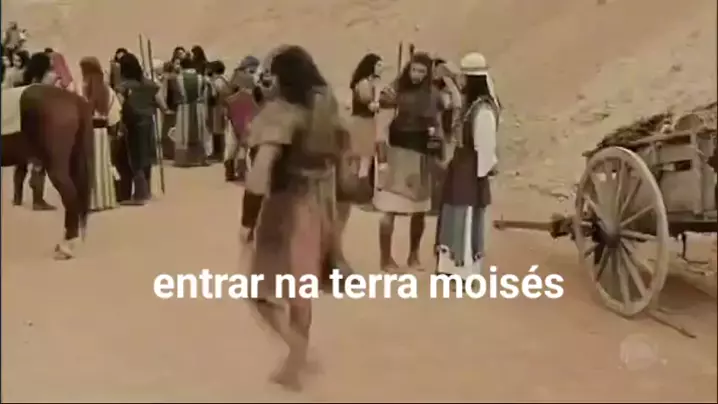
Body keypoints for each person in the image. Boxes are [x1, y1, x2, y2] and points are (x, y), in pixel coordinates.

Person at [238, 45, 350, 391]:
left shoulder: (282, 111)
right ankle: (294, 365)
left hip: (286, 206)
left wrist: (247, 220)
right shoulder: (327, 107)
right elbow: (343, 161)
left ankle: (297, 352)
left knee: (259, 291)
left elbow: (261, 170)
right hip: (322, 204)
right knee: (301, 291)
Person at [374, 51, 444, 272]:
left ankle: (413, 255)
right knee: (389, 210)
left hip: (421, 157)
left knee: (419, 210)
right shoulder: (393, 92)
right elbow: (381, 128)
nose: (417, 75)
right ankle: (385, 259)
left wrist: (437, 148)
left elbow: (438, 123)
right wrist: (382, 160)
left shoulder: (432, 95)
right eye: (414, 70)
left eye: (422, 71)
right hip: (397, 156)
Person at [435, 52, 500, 280]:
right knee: (453, 211)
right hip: (461, 166)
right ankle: (449, 267)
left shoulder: (483, 111)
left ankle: (465, 270)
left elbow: (485, 145)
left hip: (471, 169)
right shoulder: (470, 107)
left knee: (467, 214)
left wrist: (483, 172)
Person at [331, 52, 383, 271]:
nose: (380, 69)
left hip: (365, 123)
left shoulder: (367, 82)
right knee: (362, 158)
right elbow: (370, 105)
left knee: (365, 157)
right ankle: (360, 193)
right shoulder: (364, 84)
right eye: (378, 65)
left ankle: (361, 192)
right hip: (362, 122)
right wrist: (380, 98)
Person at [115, 52, 168, 205]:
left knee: (134, 158)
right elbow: (162, 104)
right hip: (148, 123)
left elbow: (119, 107)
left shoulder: (123, 87)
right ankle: (147, 190)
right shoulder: (149, 85)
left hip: (131, 124)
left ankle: (140, 193)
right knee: (146, 156)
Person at [12, 52, 57, 210]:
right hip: (36, 128)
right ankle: (37, 200)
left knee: (20, 163)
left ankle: (17, 197)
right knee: (39, 164)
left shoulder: (20, 81)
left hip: (19, 126)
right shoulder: (42, 85)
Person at [79, 56, 120, 211]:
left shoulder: (80, 89)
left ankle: (89, 201)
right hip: (102, 133)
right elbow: (115, 115)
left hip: (86, 132)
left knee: (87, 166)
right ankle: (104, 200)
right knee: (102, 164)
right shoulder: (108, 91)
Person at [224, 55, 263, 181]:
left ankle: (231, 171)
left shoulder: (234, 78)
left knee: (233, 144)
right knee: (247, 143)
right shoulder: (252, 80)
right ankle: (243, 171)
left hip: (234, 115)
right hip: (247, 115)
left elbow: (226, 97)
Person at [168, 57, 210, 166]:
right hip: (199, 108)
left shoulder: (178, 78)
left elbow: (175, 95)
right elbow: (205, 94)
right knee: (200, 132)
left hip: (184, 108)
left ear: (182, 66)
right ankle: (201, 159)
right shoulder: (201, 78)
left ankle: (182, 160)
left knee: (183, 133)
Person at [207, 60, 231, 162]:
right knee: (220, 130)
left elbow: (213, 95)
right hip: (224, 107)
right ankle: (219, 153)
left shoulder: (217, 82)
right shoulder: (225, 79)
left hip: (217, 107)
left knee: (217, 131)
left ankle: (218, 154)